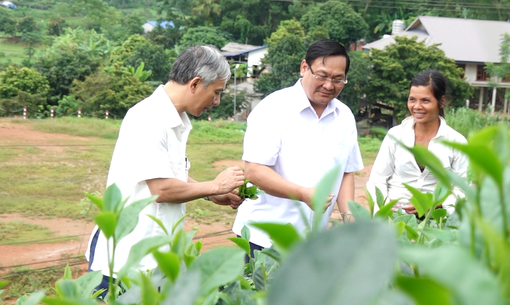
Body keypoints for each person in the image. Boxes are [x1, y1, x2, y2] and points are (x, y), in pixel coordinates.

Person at [85, 45, 246, 296]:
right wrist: (215, 185)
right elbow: (160, 189)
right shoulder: (148, 118)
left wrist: (209, 193)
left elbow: (168, 174)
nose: (216, 101)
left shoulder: (175, 120)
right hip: (123, 260)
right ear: (194, 84)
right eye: (216, 93)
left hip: (155, 259)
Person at [232, 39, 364, 256]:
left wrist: (349, 216)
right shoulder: (274, 108)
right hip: (264, 239)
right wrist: (303, 194)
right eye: (321, 76)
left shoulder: (345, 117)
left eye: (338, 79)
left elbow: (346, 172)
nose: (329, 85)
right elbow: (254, 171)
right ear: (304, 68)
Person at [366, 70, 468, 215]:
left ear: (441, 101)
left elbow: (462, 188)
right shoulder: (395, 136)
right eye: (412, 99)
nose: (417, 106)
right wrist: (384, 209)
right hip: (395, 217)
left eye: (425, 100)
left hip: (436, 221)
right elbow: (377, 180)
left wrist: (434, 204)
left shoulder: (456, 142)